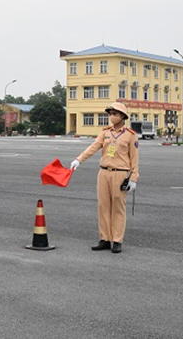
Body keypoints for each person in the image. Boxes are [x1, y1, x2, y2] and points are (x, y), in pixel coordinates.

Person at [70, 102, 139, 254]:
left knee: (118, 208)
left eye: (115, 114)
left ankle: (117, 240)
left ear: (122, 116)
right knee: (103, 206)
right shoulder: (105, 133)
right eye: (110, 114)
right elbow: (93, 147)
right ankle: (105, 239)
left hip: (120, 173)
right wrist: (79, 159)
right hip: (104, 172)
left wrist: (133, 178)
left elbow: (134, 159)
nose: (112, 116)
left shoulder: (130, 135)